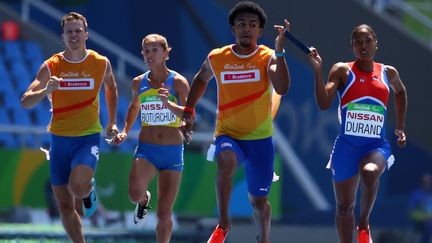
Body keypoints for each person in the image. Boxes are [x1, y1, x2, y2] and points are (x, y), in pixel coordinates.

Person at [180, 2, 291, 242]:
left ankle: (264, 238)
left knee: (259, 201)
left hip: (260, 142)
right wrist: (189, 109)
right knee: (225, 162)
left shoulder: (267, 57)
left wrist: (280, 52)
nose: (246, 29)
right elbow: (200, 79)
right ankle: (223, 225)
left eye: (252, 25)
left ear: (260, 32)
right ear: (233, 30)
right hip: (228, 135)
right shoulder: (217, 58)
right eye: (241, 25)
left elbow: (282, 87)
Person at [21, 12, 118, 243]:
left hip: (87, 139)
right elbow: (25, 100)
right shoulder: (52, 65)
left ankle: (88, 189)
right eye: (69, 32)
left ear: (86, 34)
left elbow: (112, 88)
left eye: (77, 31)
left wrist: (112, 122)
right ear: (62, 37)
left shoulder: (100, 63)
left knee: (77, 187)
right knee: (64, 206)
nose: (74, 35)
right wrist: (46, 91)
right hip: (59, 141)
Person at [307, 24, 407, 243]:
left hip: (376, 146)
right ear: (352, 46)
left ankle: (364, 224)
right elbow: (324, 103)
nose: (363, 46)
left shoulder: (388, 72)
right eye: (358, 42)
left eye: (368, 41)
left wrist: (400, 126)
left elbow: (400, 92)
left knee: (370, 173)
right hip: (347, 147)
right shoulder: (342, 70)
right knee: (344, 207)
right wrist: (317, 71)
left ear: (376, 44)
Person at [111, 34, 190, 243]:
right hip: (147, 149)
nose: (149, 54)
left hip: (172, 152)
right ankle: (144, 201)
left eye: (154, 50)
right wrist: (126, 131)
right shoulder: (139, 83)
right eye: (146, 50)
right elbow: (134, 107)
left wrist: (169, 105)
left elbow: (190, 115)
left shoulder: (179, 82)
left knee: (165, 213)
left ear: (166, 53)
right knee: (134, 195)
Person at [409, 173, 432, 243]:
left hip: (430, 220)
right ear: (422, 183)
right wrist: (424, 218)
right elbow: (411, 212)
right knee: (429, 225)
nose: (427, 184)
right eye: (425, 182)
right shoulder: (416, 195)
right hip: (420, 222)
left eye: (429, 182)